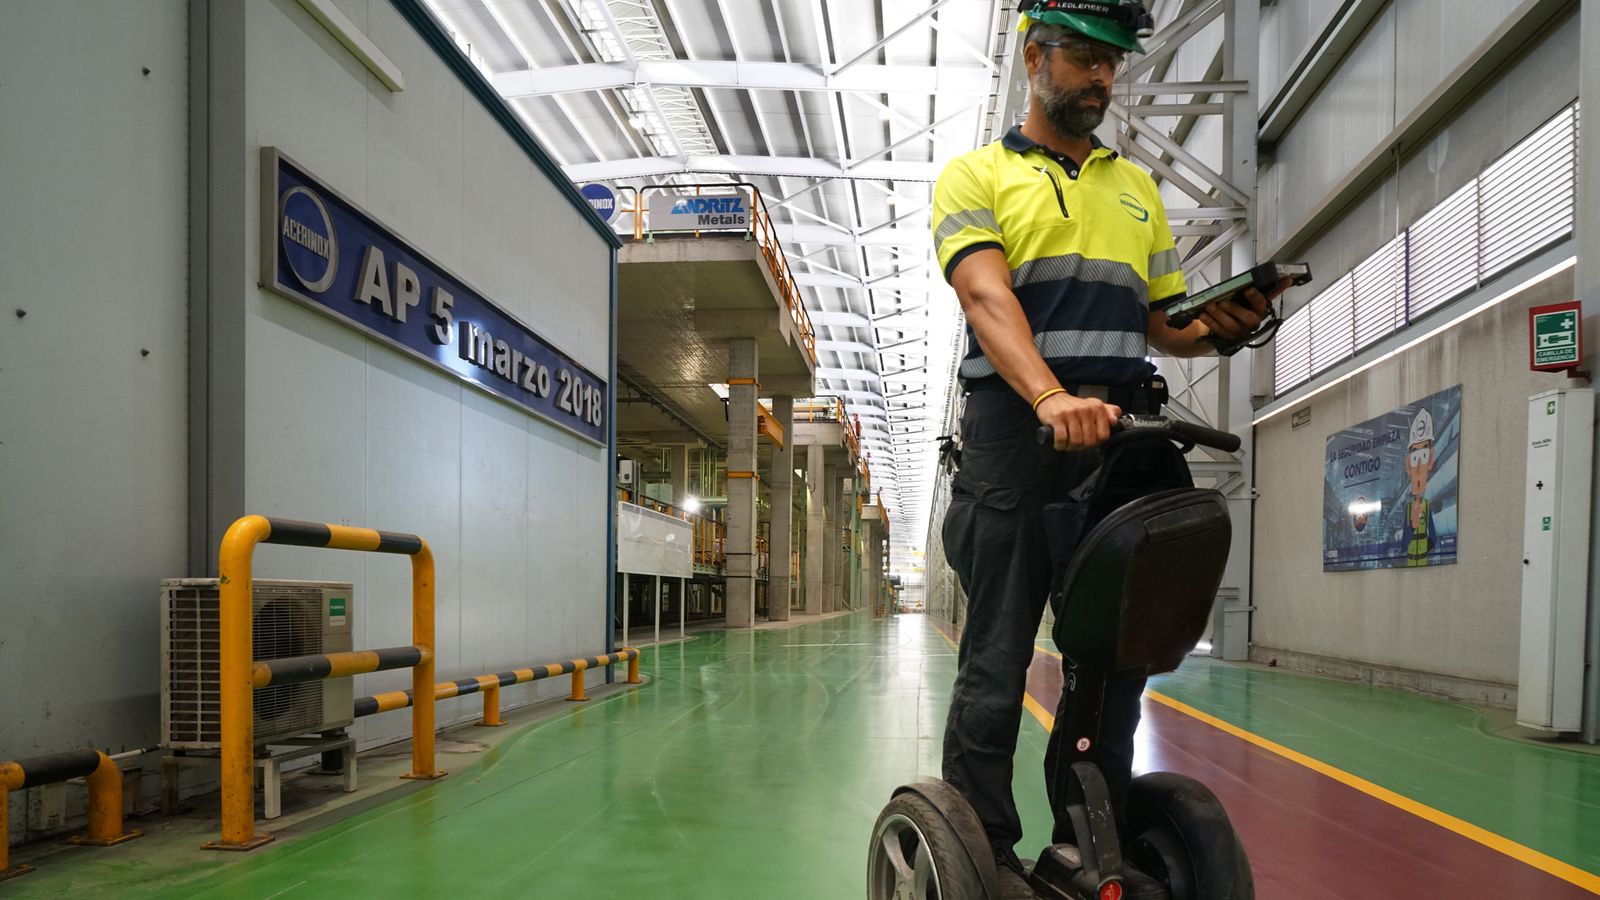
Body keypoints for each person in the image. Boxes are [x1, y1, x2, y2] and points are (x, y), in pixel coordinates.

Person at [930, 1, 1291, 894]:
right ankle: (985, 852)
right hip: (1017, 436)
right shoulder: (974, 175)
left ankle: (1091, 845)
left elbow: (1161, 323)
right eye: (1084, 59)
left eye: (1112, 64)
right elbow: (987, 301)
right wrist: (1051, 395)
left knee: (1114, 665)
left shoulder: (1137, 191)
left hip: (1121, 436)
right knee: (998, 655)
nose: (1101, 77)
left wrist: (1221, 327)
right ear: (1033, 57)